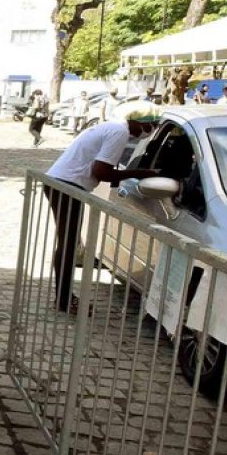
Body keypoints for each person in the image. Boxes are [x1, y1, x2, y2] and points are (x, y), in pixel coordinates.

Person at [45, 105, 162, 312]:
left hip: (62, 181)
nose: (150, 130)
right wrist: (141, 173)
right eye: (150, 125)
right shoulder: (120, 132)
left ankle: (63, 297)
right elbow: (102, 172)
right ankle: (63, 299)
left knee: (68, 242)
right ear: (138, 122)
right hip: (67, 185)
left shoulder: (112, 128)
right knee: (68, 243)